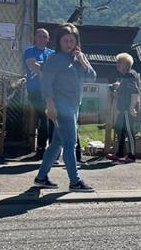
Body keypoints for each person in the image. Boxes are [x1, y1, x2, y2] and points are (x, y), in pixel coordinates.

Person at [33, 24, 96, 192]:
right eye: (65, 40)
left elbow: (92, 76)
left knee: (57, 143)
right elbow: (46, 83)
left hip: (74, 105)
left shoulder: (78, 58)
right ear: (59, 42)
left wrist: (82, 60)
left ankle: (41, 178)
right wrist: (50, 105)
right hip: (61, 106)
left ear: (76, 42)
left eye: (72, 40)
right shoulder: (54, 59)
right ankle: (75, 182)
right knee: (70, 143)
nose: (68, 43)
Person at [23, 28, 55, 159]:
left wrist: (41, 67)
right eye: (40, 36)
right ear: (35, 38)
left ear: (48, 39)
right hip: (35, 90)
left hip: (51, 91)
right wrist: (44, 67)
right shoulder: (29, 51)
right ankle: (41, 149)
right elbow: (32, 66)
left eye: (45, 37)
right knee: (43, 117)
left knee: (52, 119)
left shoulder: (52, 53)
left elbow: (54, 69)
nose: (42, 39)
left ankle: (52, 148)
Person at [107, 52, 140, 163]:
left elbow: (135, 92)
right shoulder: (127, 75)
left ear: (125, 64)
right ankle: (120, 153)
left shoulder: (129, 75)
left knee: (129, 131)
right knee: (118, 128)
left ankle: (132, 155)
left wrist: (132, 107)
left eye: (119, 63)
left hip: (127, 108)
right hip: (123, 109)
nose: (117, 65)